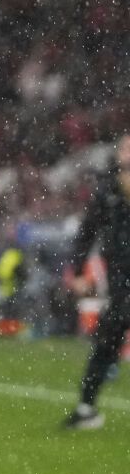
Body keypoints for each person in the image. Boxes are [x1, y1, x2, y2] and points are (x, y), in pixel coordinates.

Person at [64, 133, 130, 430]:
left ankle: (86, 407)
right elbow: (86, 233)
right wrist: (77, 273)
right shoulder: (107, 193)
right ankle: (86, 408)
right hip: (121, 282)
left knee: (108, 339)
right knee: (106, 342)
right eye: (124, 148)